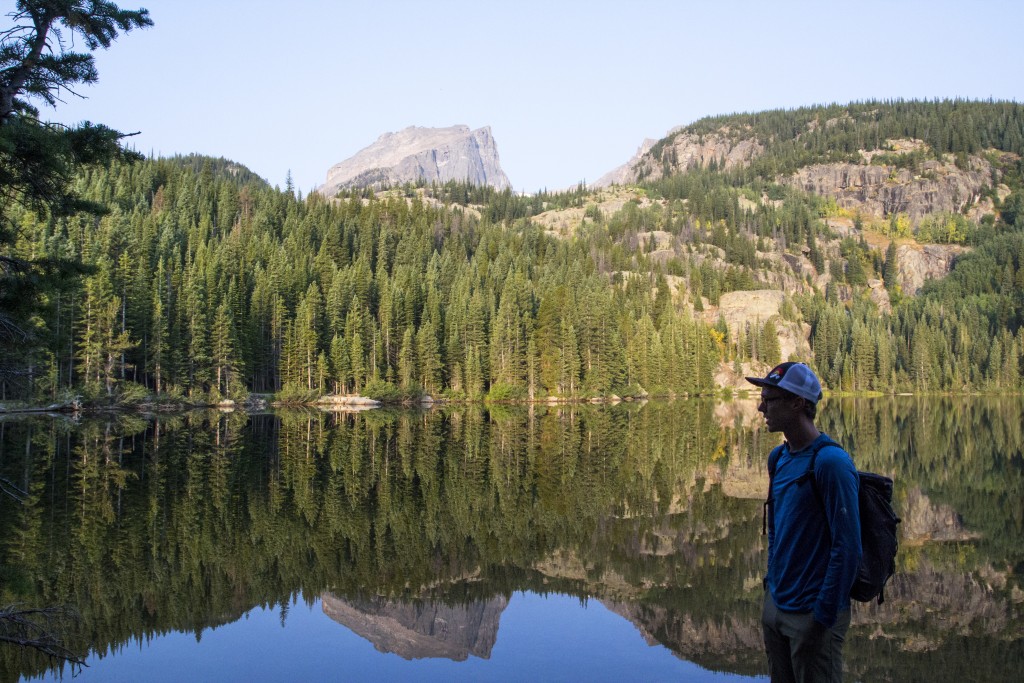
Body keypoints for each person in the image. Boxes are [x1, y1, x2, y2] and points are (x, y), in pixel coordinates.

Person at [747, 362, 861, 683]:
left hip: (812, 615)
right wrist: (771, 592)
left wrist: (821, 616)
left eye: (769, 400)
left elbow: (848, 547)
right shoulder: (778, 458)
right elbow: (777, 531)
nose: (761, 407)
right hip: (777, 608)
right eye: (763, 398)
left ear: (798, 403)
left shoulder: (831, 463)